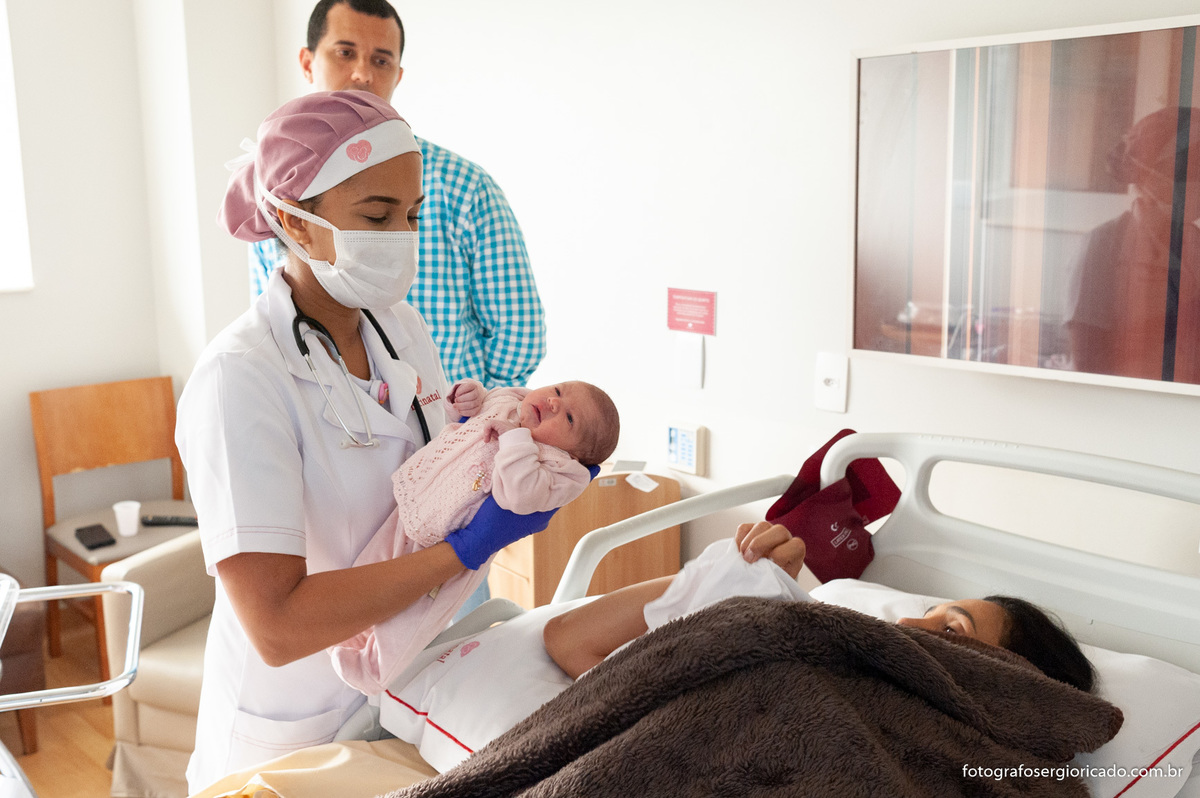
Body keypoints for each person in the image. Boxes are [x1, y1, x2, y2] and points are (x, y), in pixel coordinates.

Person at [177, 90, 554, 793]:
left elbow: (431, 470)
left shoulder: (400, 327)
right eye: (378, 216)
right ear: (296, 222)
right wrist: (463, 552)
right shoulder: (240, 378)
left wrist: (506, 457)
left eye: (412, 215)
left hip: (396, 694)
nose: (403, 237)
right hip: (290, 723)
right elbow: (278, 625)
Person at [250, 0, 546, 391]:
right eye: (345, 53)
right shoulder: (277, 191)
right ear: (307, 62)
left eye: (381, 60)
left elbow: (519, 332)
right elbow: (273, 315)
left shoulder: (464, 187)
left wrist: (467, 419)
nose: (362, 74)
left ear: (398, 74)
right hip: (329, 416)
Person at [543, 521, 1096, 692]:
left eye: (952, 630)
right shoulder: (815, 656)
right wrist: (728, 582)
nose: (907, 621)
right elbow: (571, 641)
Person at [329, 378, 620, 694]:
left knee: (412, 618)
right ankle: (346, 632)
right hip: (414, 507)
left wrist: (517, 440)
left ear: (577, 455)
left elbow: (521, 496)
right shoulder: (511, 400)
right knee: (366, 572)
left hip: (448, 548)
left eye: (569, 418)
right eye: (559, 391)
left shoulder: (559, 468)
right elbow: (471, 418)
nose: (553, 403)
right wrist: (467, 400)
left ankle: (371, 671)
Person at [1065, 105, 1200, 383]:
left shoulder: (1195, 244)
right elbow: (1088, 365)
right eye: (1195, 169)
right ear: (1156, 171)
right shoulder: (1104, 244)